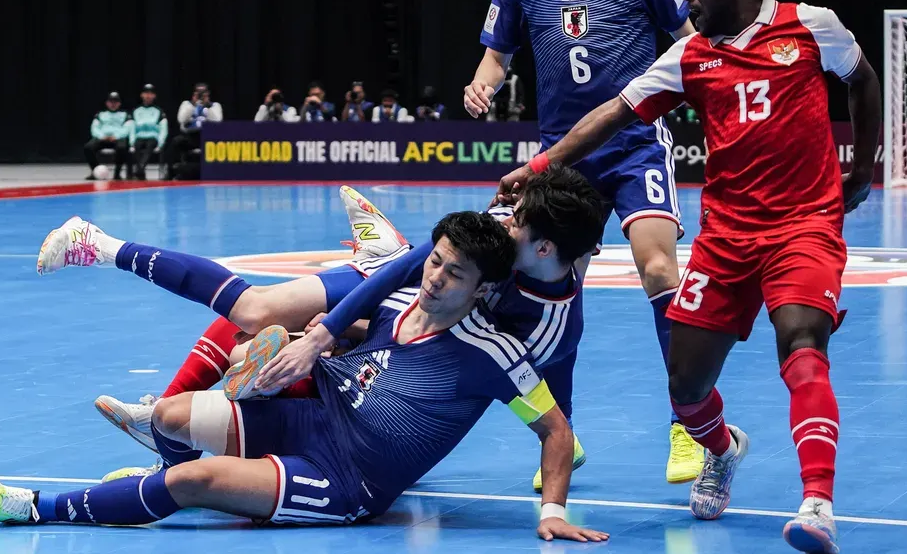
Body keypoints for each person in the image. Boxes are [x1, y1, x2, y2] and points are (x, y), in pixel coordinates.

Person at [496, 0, 882, 554]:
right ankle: (723, 449)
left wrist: (862, 169)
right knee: (687, 385)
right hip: (727, 235)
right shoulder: (689, 55)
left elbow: (862, 80)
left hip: (804, 224)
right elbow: (613, 115)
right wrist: (540, 167)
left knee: (803, 342)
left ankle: (818, 505)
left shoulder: (813, 25)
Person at [0, 212, 610, 544]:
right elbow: (395, 282)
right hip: (315, 416)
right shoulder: (398, 299)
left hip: (346, 480)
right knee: (172, 414)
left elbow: (557, 432)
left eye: (453, 274)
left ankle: (35, 508)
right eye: (435, 263)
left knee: (193, 478)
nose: (436, 279)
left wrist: (552, 509)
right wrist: (316, 339)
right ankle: (163, 486)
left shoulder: (498, 352)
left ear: (482, 289)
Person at [40, 174, 604, 492]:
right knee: (260, 312)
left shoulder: (550, 323)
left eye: (518, 218)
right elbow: (415, 269)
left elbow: (541, 382)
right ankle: (97, 244)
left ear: (547, 250)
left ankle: (182, 423)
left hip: (415, 329)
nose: (506, 218)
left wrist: (559, 442)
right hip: (402, 284)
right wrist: (324, 334)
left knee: (313, 349)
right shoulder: (486, 248)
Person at [463, 0, 702, 486]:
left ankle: (688, 424)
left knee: (658, 268)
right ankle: (561, 435)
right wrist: (481, 84)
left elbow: (690, 43)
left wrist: (688, 93)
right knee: (553, 293)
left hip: (634, 145)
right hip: (561, 159)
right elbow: (497, 56)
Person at [84, 92, 133, 180]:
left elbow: (127, 128)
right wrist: (102, 136)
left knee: (122, 147)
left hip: (117, 138)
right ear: (107, 103)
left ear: (119, 103)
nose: (113, 104)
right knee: (88, 147)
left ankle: (117, 174)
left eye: (115, 102)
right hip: (102, 138)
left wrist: (116, 136)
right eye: (111, 102)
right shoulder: (100, 114)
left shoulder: (125, 115)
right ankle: (96, 172)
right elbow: (94, 128)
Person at [130, 84, 168, 180]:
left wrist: (160, 144)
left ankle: (140, 169)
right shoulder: (136, 111)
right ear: (142, 95)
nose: (148, 96)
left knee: (150, 145)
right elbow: (132, 128)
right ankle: (141, 171)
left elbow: (164, 129)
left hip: (153, 137)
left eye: (150, 94)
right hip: (139, 137)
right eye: (146, 93)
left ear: (154, 96)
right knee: (137, 145)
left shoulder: (159, 111)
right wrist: (131, 143)